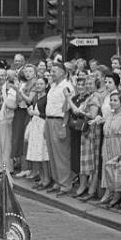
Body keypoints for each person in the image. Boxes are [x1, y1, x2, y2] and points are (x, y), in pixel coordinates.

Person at [43, 62, 74, 194]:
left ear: (62, 72)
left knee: (61, 154)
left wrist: (63, 125)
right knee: (52, 153)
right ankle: (57, 181)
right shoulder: (53, 86)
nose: (51, 73)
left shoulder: (66, 86)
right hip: (49, 120)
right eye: (51, 71)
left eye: (54, 71)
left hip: (60, 121)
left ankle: (65, 184)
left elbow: (68, 108)